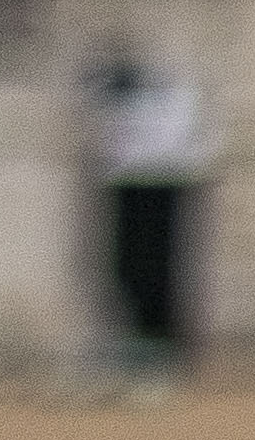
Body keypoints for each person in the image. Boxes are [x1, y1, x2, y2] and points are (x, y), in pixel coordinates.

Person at [85, 47, 212, 394]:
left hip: (162, 181)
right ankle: (136, 350)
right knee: (126, 267)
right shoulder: (122, 93)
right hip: (129, 180)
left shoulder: (171, 94)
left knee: (157, 271)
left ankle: (159, 359)